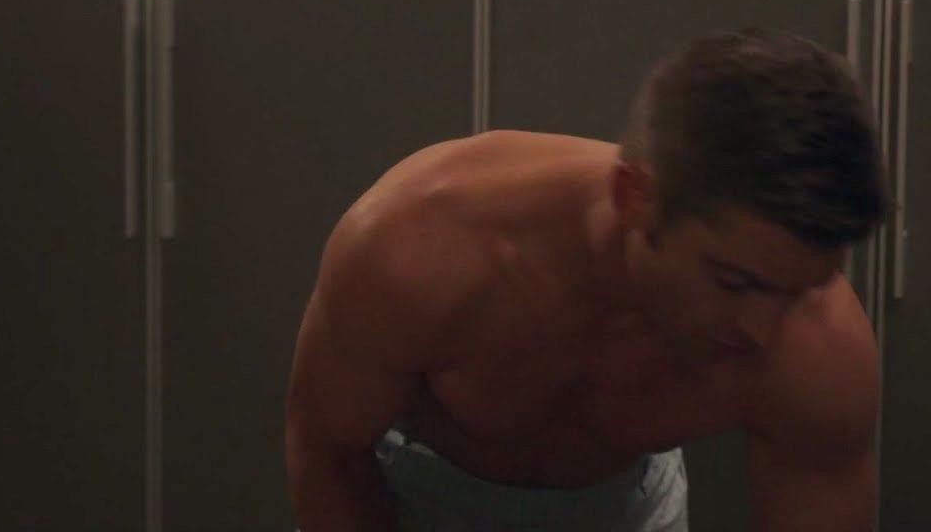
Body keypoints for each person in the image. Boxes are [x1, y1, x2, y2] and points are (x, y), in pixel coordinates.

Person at [286, 28, 885, 531]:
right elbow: (329, 452)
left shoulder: (818, 347)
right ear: (636, 197)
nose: (762, 331)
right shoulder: (420, 249)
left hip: (628, 508)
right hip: (418, 496)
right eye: (735, 282)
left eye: (796, 291)